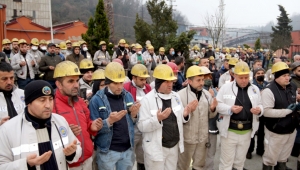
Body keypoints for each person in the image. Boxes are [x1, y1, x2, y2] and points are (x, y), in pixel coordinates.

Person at [0, 80, 82, 169]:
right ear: (28, 103)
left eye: (50, 99)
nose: (48, 105)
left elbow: (77, 147)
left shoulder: (60, 120)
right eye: (42, 100)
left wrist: (71, 153)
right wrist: (26, 164)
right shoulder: (8, 129)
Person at [137, 64, 197, 170]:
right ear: (159, 82)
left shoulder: (175, 96)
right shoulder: (147, 100)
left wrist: (185, 113)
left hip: (173, 147)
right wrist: (157, 119)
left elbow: (180, 118)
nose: (171, 85)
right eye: (167, 81)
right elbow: (141, 126)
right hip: (156, 149)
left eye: (172, 81)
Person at [89, 62, 139, 170]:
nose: (119, 87)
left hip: (127, 150)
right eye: (115, 83)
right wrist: (109, 121)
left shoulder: (128, 95)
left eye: (121, 82)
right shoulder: (96, 100)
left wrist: (134, 116)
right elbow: (92, 129)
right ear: (107, 82)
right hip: (108, 152)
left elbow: (133, 122)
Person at [52, 61, 102, 170]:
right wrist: (66, 133)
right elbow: (50, 136)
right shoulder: (52, 105)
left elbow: (88, 124)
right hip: (68, 164)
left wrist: (92, 126)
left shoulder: (80, 102)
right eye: (70, 81)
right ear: (59, 84)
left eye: (76, 81)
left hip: (87, 158)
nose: (76, 85)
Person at [216, 61, 263, 170]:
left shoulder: (255, 89)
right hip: (230, 131)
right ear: (235, 75)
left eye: (246, 77)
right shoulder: (226, 87)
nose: (244, 80)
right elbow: (218, 105)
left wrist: (259, 110)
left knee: (239, 163)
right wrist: (230, 109)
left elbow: (261, 104)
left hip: (246, 132)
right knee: (226, 163)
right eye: (241, 77)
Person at [177, 65, 217, 170]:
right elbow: (177, 119)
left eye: (202, 80)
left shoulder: (207, 95)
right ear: (189, 81)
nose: (202, 83)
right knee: (183, 166)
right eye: (198, 80)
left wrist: (213, 109)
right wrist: (186, 112)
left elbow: (211, 116)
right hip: (187, 139)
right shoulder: (179, 96)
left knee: (199, 166)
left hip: (202, 139)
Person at [261, 62, 298, 170]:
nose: (288, 78)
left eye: (288, 75)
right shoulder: (269, 91)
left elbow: (293, 101)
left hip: (291, 130)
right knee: (270, 159)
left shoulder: (292, 87)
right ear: (276, 76)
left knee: (283, 159)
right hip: (275, 131)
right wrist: (286, 111)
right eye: (284, 76)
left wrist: (296, 107)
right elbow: (266, 112)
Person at [123, 64, 151, 170]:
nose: (144, 82)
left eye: (145, 79)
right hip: (132, 127)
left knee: (143, 154)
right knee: (130, 154)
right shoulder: (126, 88)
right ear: (133, 77)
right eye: (141, 79)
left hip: (145, 126)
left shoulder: (148, 88)